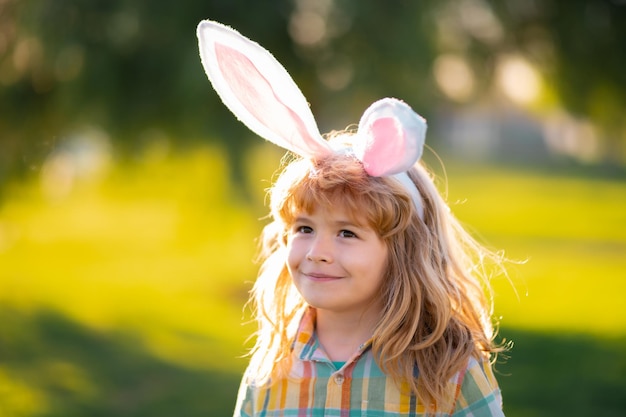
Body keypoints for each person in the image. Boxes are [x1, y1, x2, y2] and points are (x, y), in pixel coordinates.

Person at [197, 19, 508, 417]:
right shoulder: (271, 370)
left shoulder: (448, 371)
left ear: (402, 250)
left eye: (346, 233)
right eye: (304, 228)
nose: (318, 252)